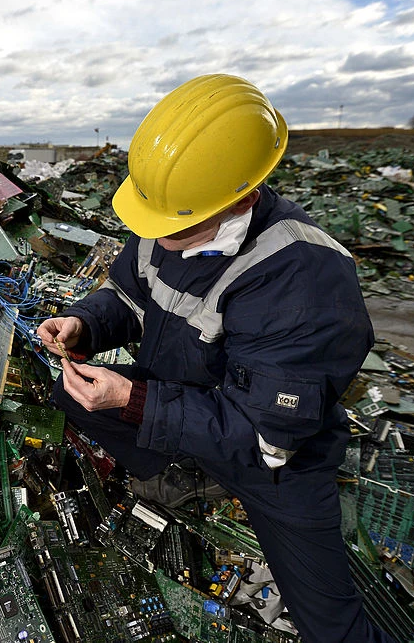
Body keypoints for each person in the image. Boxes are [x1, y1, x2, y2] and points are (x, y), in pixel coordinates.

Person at [37, 74, 393, 643]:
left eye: (173, 228)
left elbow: (265, 434)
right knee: (65, 394)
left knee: (329, 623)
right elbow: (129, 297)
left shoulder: (304, 278)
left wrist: (133, 399)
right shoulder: (171, 219)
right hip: (180, 406)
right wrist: (85, 324)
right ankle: (183, 475)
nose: (156, 238)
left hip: (275, 460)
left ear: (241, 199)